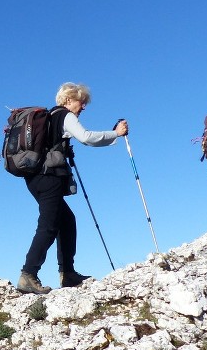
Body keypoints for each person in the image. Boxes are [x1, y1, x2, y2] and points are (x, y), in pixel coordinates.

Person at [17, 83, 128, 295]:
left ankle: (67, 273)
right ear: (68, 100)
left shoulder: (50, 117)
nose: (83, 107)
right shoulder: (65, 116)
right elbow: (86, 137)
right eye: (81, 101)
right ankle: (28, 275)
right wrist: (115, 133)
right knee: (49, 225)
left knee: (67, 221)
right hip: (48, 177)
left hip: (35, 178)